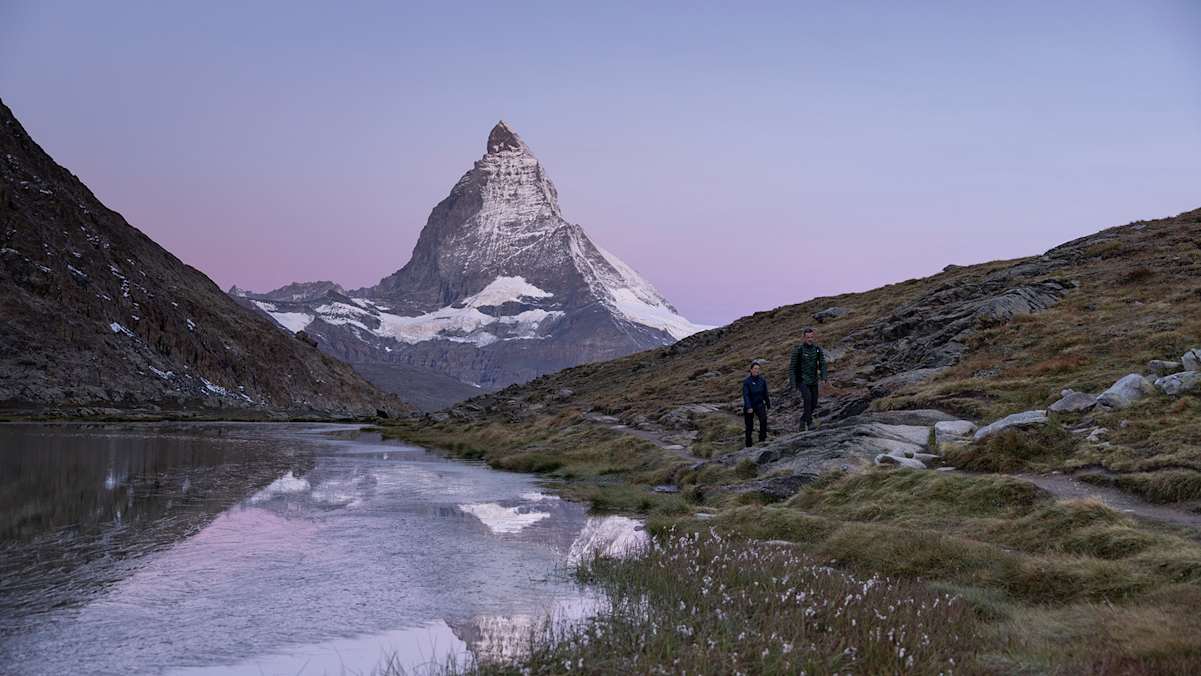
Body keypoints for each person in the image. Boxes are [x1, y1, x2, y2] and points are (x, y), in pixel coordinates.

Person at [789, 328, 828, 431]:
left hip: (813, 380)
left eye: (811, 337)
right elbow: (792, 367)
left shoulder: (817, 349)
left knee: (814, 403)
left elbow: (823, 364)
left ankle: (803, 420)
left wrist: (824, 377)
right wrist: (793, 383)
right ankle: (809, 423)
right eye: (808, 337)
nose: (810, 339)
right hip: (801, 380)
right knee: (807, 399)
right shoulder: (798, 350)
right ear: (804, 338)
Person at [741, 361, 770, 447]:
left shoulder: (762, 380)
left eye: (758, 369)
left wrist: (768, 403)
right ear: (751, 370)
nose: (756, 370)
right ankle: (748, 444)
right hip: (749, 405)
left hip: (759, 404)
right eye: (755, 369)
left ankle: (762, 440)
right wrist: (749, 407)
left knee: (763, 420)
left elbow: (765, 393)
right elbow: (746, 395)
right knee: (749, 426)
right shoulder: (747, 382)